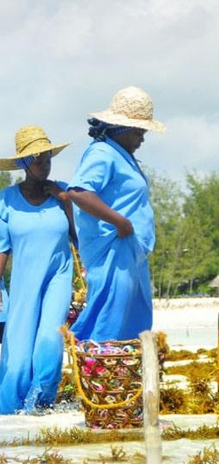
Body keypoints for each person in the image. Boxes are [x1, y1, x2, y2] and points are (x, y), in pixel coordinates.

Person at [67, 86, 165, 342]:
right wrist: (120, 222)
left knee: (134, 317)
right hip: (114, 248)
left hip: (131, 250)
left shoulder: (123, 156)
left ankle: (126, 375)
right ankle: (98, 372)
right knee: (110, 314)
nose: (142, 138)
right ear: (120, 129)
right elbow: (79, 192)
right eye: (138, 131)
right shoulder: (102, 153)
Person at [0, 126, 75, 413]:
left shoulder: (64, 192)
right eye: (36, 160)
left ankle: (40, 405)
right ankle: (10, 417)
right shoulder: (6, 201)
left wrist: (66, 201)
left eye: (47, 159)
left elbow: (79, 238)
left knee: (49, 340)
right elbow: (2, 249)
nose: (44, 165)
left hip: (58, 276)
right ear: (22, 164)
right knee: (17, 355)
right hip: (23, 282)